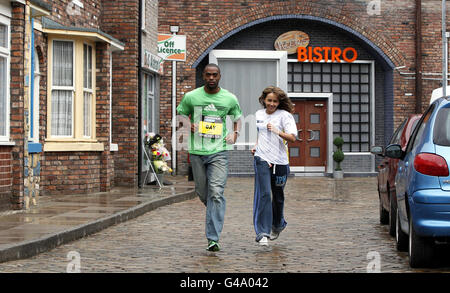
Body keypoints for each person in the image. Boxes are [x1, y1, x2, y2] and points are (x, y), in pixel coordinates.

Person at [177, 63, 242, 252]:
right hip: (196, 151)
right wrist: (188, 124)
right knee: (202, 192)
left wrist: (235, 134)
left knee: (216, 192)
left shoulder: (229, 98)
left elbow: (237, 118)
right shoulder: (192, 96)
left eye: (214, 75)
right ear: (203, 76)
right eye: (208, 75)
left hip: (219, 151)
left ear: (219, 76)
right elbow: (181, 112)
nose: (211, 78)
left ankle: (213, 238)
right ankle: (214, 209)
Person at [251, 86, 297, 246]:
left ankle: (278, 224)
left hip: (280, 162)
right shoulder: (258, 114)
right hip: (262, 158)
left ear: (279, 102)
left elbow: (292, 138)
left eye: (275, 101)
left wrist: (277, 131)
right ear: (264, 100)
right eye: (269, 100)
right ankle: (262, 232)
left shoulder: (285, 116)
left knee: (277, 197)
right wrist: (256, 146)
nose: (271, 104)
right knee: (264, 194)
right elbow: (261, 134)